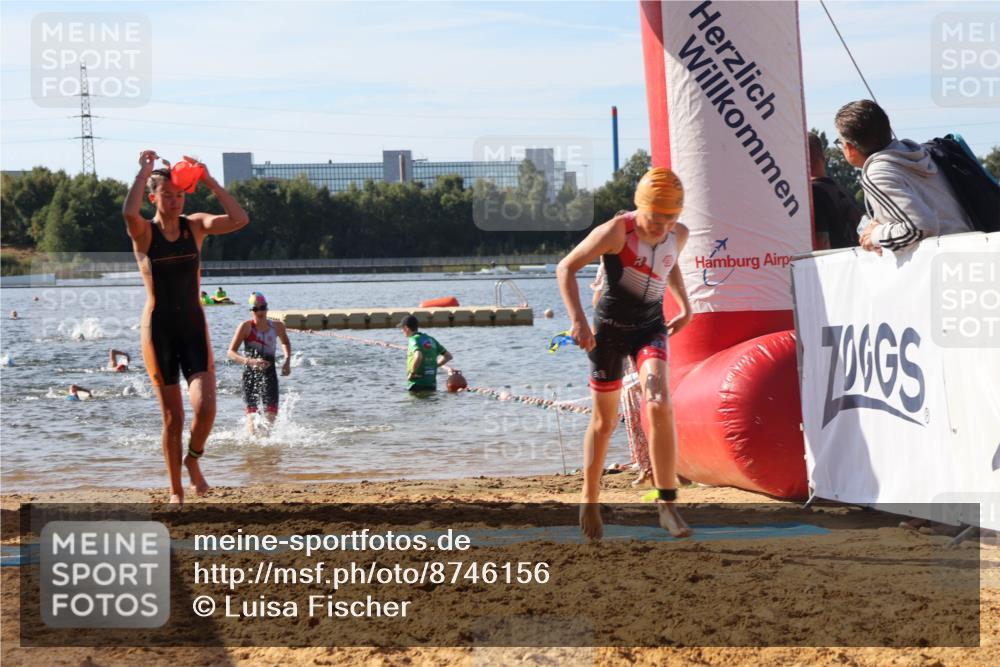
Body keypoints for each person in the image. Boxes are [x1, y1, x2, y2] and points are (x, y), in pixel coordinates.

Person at [557, 167, 693, 540]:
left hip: (650, 328)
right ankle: (589, 497)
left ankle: (667, 506)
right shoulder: (617, 230)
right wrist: (579, 322)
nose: (661, 228)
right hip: (609, 333)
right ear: (640, 208)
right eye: (655, 219)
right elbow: (565, 268)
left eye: (670, 220)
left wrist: (686, 304)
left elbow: (671, 262)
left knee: (659, 402)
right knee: (604, 422)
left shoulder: (677, 234)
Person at [123, 149, 249, 506]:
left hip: (194, 328)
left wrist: (208, 179)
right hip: (158, 330)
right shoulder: (144, 233)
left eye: (179, 195)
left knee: (206, 407)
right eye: (167, 195)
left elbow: (240, 219)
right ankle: (176, 488)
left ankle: (192, 460)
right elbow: (128, 212)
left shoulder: (195, 226)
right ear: (154, 198)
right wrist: (144, 170)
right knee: (172, 418)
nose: (175, 201)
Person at [833, 100, 972, 254]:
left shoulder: (878, 173)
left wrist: (875, 236)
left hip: (944, 263)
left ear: (850, 148)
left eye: (840, 143)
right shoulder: (921, 154)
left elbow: (921, 227)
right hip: (970, 249)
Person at [591, 248, 652, 488]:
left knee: (634, 395)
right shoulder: (648, 258)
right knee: (637, 395)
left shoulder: (611, 263)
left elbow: (598, 302)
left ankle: (646, 463)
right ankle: (645, 462)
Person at [227, 292, 292, 435]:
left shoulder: (277, 326)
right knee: (252, 416)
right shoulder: (245, 327)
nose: (260, 312)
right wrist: (249, 361)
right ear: (251, 311)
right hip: (250, 376)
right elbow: (231, 352)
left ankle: (264, 452)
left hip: (270, 375)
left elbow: (286, 343)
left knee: (271, 417)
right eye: (256, 309)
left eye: (262, 308)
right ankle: (253, 443)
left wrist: (287, 361)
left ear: (267, 308)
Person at [808, 132, 862, 250]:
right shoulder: (845, 192)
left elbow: (822, 246)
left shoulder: (813, 194)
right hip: (855, 262)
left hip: (833, 266)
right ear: (823, 156)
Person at [399, 314, 452, 392]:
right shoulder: (431, 339)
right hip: (431, 384)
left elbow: (418, 356)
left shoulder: (413, 339)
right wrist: (434, 366)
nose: (401, 331)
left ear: (406, 328)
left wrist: (412, 373)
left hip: (416, 384)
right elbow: (448, 356)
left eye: (402, 328)